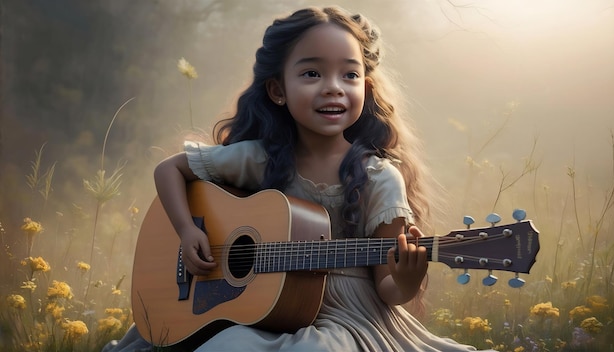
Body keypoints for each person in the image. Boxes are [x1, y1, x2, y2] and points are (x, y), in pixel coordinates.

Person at [104, 6, 492, 352]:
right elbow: (169, 169)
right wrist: (188, 230)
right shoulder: (260, 156)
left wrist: (407, 280)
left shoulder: (378, 178)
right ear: (277, 90)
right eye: (311, 72)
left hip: (347, 319)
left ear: (365, 88)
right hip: (260, 314)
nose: (333, 87)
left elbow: (388, 288)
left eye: (349, 74)